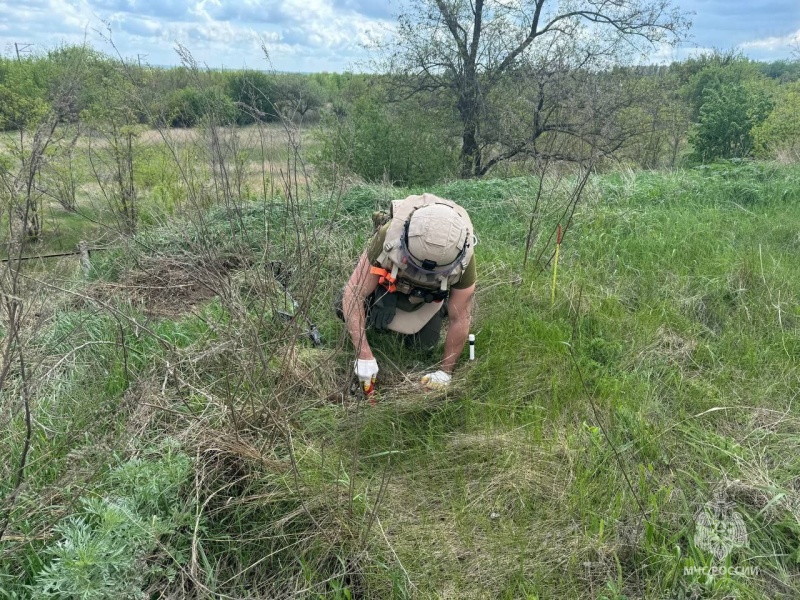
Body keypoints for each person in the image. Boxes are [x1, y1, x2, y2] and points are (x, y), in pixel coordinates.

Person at [338, 193, 477, 391]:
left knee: (424, 346)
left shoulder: (464, 259)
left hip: (428, 297)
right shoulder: (389, 235)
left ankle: (440, 307)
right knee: (342, 308)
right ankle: (383, 296)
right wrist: (364, 355)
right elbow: (354, 293)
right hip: (389, 283)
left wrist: (445, 373)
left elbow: (460, 318)